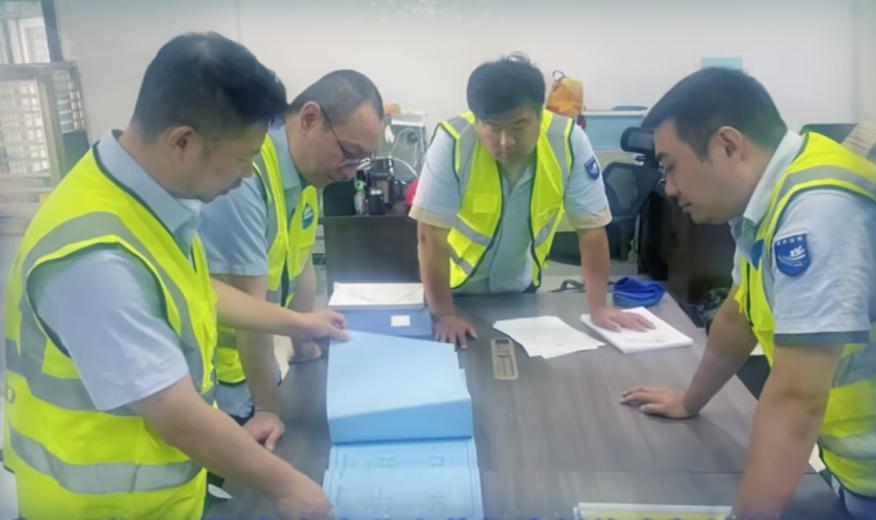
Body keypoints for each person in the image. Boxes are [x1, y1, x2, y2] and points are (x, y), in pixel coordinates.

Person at [2, 32, 346, 519]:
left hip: (161, 496)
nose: (248, 175)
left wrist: (299, 322)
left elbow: (193, 292)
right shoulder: (94, 260)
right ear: (183, 140)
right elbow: (176, 413)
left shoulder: (137, 196)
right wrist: (290, 486)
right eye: (244, 158)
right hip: (105, 509)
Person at [620, 68, 876, 519]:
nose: (670, 188)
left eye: (670, 165)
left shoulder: (817, 214)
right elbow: (739, 316)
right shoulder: (772, 195)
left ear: (727, 144)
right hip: (855, 471)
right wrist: (689, 401)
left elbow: (797, 399)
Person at [411, 54, 650, 348]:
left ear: (540, 114)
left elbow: (591, 230)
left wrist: (599, 307)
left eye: (518, 126)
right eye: (493, 127)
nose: (506, 141)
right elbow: (430, 236)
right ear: (476, 121)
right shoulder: (453, 142)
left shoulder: (568, 141)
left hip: (519, 289)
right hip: (455, 291)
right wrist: (445, 314)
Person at [198, 70, 383, 436]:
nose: (349, 173)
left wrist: (303, 340)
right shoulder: (245, 178)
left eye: (360, 160)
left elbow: (301, 263)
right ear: (310, 119)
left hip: (257, 370)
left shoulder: (308, 175)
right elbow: (250, 311)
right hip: (223, 386)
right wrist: (267, 407)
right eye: (349, 154)